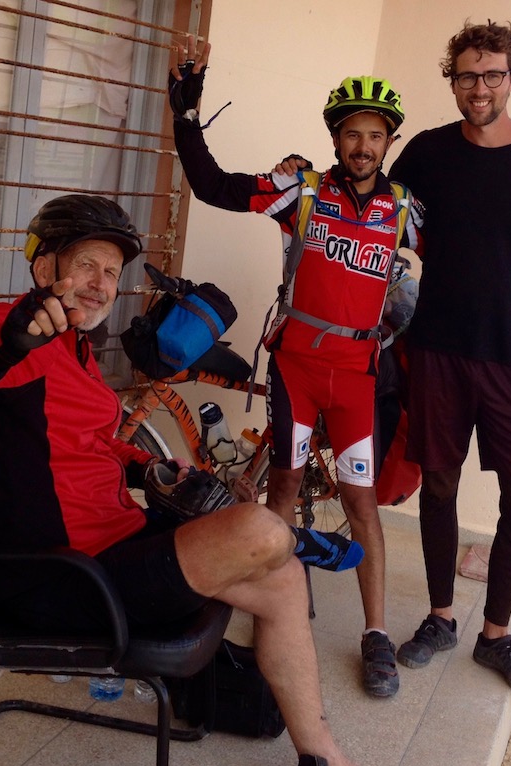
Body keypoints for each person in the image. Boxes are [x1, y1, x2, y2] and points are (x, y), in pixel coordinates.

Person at [0, 193, 405, 766]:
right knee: (259, 531)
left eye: (112, 273)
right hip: (59, 579)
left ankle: (323, 761)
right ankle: (296, 539)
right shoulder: (1, 333)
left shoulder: (76, 349)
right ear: (45, 270)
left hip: (111, 546)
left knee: (283, 582)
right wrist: (10, 343)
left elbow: (91, 441)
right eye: (87, 265)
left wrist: (152, 467)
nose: (101, 284)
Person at [169, 36, 423, 699]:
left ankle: (375, 634)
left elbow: (469, 253)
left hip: (357, 379)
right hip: (298, 372)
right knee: (281, 492)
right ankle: (272, 603)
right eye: (351, 133)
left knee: (362, 502)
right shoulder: (301, 190)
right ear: (336, 139)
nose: (363, 145)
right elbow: (214, 186)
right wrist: (186, 120)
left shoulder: (404, 210)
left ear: (388, 141)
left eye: (375, 134)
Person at [385, 20, 511, 696]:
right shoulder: (427, 154)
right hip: (437, 351)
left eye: (492, 74)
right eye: (467, 75)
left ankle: (496, 634)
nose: (480, 87)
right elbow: (378, 215)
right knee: (438, 488)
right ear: (453, 79)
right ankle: (441, 616)